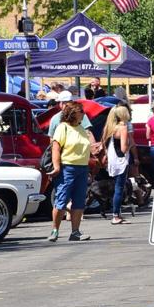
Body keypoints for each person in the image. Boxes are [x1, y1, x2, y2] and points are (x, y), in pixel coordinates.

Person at [47, 102, 92, 242]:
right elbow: (55, 148)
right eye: (81, 111)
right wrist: (56, 166)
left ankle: (75, 232)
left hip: (82, 168)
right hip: (67, 168)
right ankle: (55, 230)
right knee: (61, 199)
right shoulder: (62, 128)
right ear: (73, 113)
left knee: (79, 201)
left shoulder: (81, 128)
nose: (84, 114)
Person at [102, 106, 132, 224]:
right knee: (119, 188)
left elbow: (104, 144)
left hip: (112, 159)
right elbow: (124, 148)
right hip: (121, 160)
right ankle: (116, 215)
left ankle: (116, 214)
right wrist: (130, 145)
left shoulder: (109, 127)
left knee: (117, 187)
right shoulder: (122, 128)